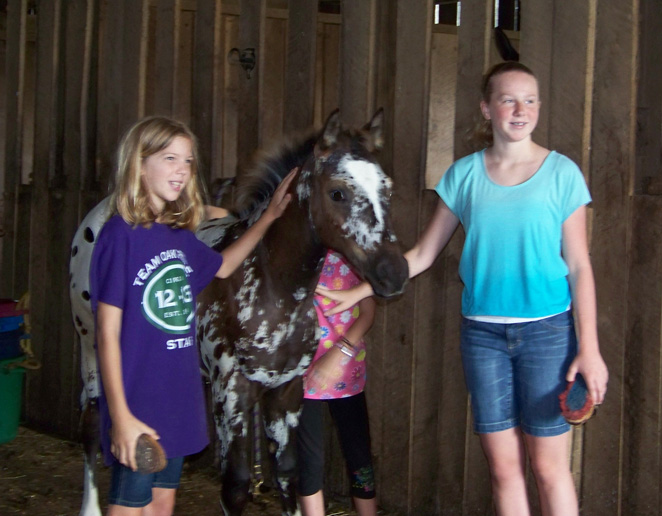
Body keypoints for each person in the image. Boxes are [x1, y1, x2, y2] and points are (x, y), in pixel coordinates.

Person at [316, 61, 609, 516]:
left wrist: (588, 349)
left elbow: (579, 265)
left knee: (549, 468)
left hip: (548, 333)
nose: (521, 110)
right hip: (483, 336)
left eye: (530, 100)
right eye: (508, 100)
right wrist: (359, 292)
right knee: (503, 470)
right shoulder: (464, 175)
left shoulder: (562, 174)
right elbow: (423, 254)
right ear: (487, 109)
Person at [90, 116, 295, 516]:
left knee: (163, 504)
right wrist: (120, 416)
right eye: (170, 158)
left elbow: (223, 265)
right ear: (139, 164)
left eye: (187, 161)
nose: (182, 170)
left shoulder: (178, 237)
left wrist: (269, 217)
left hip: (178, 397)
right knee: (129, 506)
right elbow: (107, 332)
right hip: (138, 398)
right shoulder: (120, 235)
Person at [297, 249, 378, 516]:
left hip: (346, 373)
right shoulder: (299, 249)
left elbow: (367, 312)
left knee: (359, 457)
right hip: (302, 374)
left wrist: (337, 354)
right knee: (310, 462)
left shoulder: (354, 253)